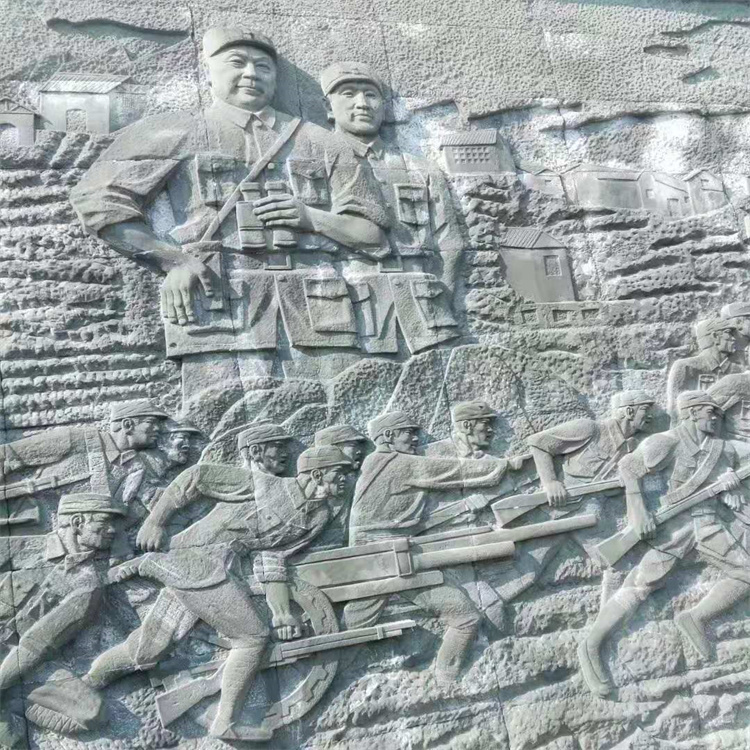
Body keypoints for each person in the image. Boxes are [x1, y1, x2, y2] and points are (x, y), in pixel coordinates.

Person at [70, 29, 387, 394]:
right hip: (216, 301)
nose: (251, 73)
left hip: (319, 305)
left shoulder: (323, 143)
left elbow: (374, 235)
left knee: (338, 406)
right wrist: (171, 260)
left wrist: (311, 218)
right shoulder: (175, 130)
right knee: (217, 411)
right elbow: (96, 200)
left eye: (263, 67)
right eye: (237, 62)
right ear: (209, 71)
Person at [84, 426, 352, 742]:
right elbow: (197, 477)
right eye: (339, 473)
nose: (346, 479)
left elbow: (273, 558)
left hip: (219, 570)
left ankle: (86, 684)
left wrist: (281, 611)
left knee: (147, 649)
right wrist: (155, 521)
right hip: (197, 560)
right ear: (317, 474)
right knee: (252, 638)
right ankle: (225, 721)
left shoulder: (317, 517)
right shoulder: (265, 485)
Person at [577, 391, 750, 698]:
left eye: (719, 414)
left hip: (708, 523)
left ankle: (696, 618)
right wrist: (638, 513)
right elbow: (629, 467)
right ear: (692, 412)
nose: (717, 418)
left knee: (746, 572)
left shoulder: (722, 448)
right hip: (675, 528)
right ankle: (591, 645)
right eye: (711, 412)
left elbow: (732, 470)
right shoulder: (665, 442)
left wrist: (729, 489)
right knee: (640, 585)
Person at [343, 411, 512, 685]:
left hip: (385, 552)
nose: (415, 438)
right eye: (408, 433)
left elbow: (434, 460)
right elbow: (452, 472)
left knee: (355, 623)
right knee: (465, 618)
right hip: (388, 558)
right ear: (388, 436)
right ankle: (447, 681)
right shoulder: (397, 464)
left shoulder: (377, 461)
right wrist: (505, 465)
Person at [321, 61, 464, 356]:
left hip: (424, 301)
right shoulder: (314, 167)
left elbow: (450, 242)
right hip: (351, 302)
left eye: (371, 95)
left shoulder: (420, 170)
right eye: (348, 93)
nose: (362, 103)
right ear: (328, 107)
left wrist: (442, 296)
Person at [0, 493, 125, 748]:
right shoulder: (22, 546)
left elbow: (35, 645)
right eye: (104, 522)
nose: (113, 530)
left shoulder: (89, 585)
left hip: (23, 659)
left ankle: (10, 702)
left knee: (92, 712)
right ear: (77, 522)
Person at [0, 400, 168, 533]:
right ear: (127, 424)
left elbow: (135, 511)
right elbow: (9, 455)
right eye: (151, 422)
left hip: (59, 534)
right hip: (16, 509)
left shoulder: (136, 468)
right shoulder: (77, 438)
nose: (158, 429)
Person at [666, 318, 741, 422]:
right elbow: (674, 410)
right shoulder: (685, 366)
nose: (733, 339)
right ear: (715, 336)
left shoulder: (737, 370)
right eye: (728, 333)